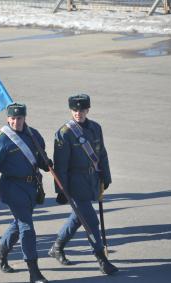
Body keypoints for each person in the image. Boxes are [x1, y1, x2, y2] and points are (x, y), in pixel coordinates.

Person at [0, 103, 49, 283]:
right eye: (12, 118)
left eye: (19, 118)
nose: (16, 122)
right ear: (7, 118)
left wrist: (45, 163)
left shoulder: (33, 134)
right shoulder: (1, 139)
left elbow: (39, 155)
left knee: (18, 224)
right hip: (12, 188)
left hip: (31, 187)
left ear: (25, 117)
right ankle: (34, 272)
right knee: (27, 227)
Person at [49, 94, 118, 275]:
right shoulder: (64, 133)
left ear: (87, 110)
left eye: (81, 110)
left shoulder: (96, 128)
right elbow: (60, 165)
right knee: (91, 221)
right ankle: (101, 259)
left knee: (78, 217)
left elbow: (101, 153)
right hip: (75, 183)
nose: (78, 113)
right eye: (74, 110)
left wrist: (106, 176)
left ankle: (57, 247)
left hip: (92, 181)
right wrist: (61, 189)